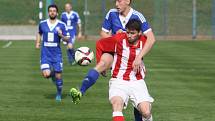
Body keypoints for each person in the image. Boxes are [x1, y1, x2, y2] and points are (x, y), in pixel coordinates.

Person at [70, 19, 154, 121]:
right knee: (117, 105)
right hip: (118, 81)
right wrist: (99, 62)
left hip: (137, 81)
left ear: (139, 33)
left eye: (133, 33)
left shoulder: (144, 41)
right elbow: (100, 44)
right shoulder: (119, 39)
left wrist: (140, 58)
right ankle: (81, 91)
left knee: (146, 112)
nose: (129, 35)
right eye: (127, 32)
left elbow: (151, 40)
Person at [36, 4, 69, 101]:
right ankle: (52, 74)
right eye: (50, 11)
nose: (52, 12)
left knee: (58, 77)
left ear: (57, 13)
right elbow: (39, 33)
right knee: (46, 74)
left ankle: (58, 94)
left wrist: (61, 35)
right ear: (48, 12)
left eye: (54, 11)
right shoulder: (42, 24)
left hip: (56, 54)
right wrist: (38, 42)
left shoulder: (62, 25)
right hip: (45, 54)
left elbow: (67, 39)